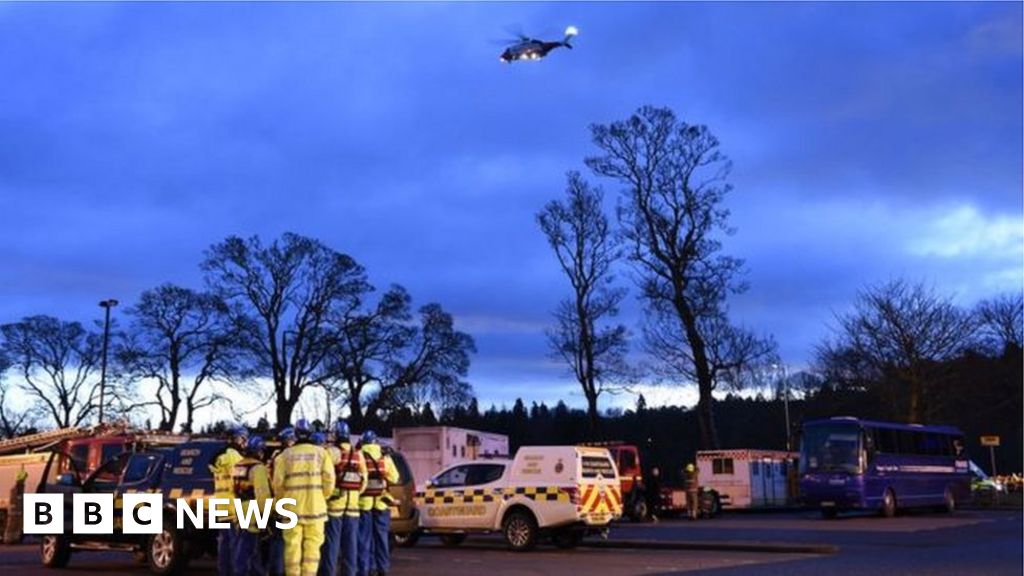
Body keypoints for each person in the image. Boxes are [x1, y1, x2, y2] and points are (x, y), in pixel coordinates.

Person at [273, 418, 334, 576]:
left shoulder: (284, 456)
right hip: (315, 509)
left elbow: (277, 484)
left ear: (296, 434)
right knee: (313, 548)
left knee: (292, 547)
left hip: (291, 510)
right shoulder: (322, 454)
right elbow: (329, 480)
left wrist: (281, 503)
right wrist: (322, 497)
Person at [319, 421, 366, 576]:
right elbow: (363, 480)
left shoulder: (331, 452)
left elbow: (324, 475)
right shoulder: (358, 455)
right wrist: (355, 494)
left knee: (331, 546)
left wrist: (325, 496)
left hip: (334, 506)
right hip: (353, 508)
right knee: (350, 547)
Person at [357, 430, 398, 576]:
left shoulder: (359, 454)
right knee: (381, 538)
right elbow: (394, 478)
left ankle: (365, 569)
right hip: (381, 502)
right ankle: (382, 569)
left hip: (363, 503)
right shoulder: (384, 456)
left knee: (364, 539)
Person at [212, 426, 248, 575]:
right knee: (236, 546)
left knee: (224, 545)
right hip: (234, 507)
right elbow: (241, 483)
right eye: (244, 439)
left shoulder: (219, 457)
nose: (245, 443)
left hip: (221, 507)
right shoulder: (237, 458)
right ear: (239, 439)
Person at [233, 435, 271, 576]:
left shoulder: (239, 465)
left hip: (240, 507)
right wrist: (266, 515)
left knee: (250, 549)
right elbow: (262, 495)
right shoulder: (258, 468)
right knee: (247, 548)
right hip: (253, 511)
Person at [268, 427, 297, 576]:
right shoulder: (289, 457)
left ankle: (276, 570)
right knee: (285, 540)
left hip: (278, 501)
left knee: (278, 539)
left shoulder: (276, 455)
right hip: (288, 502)